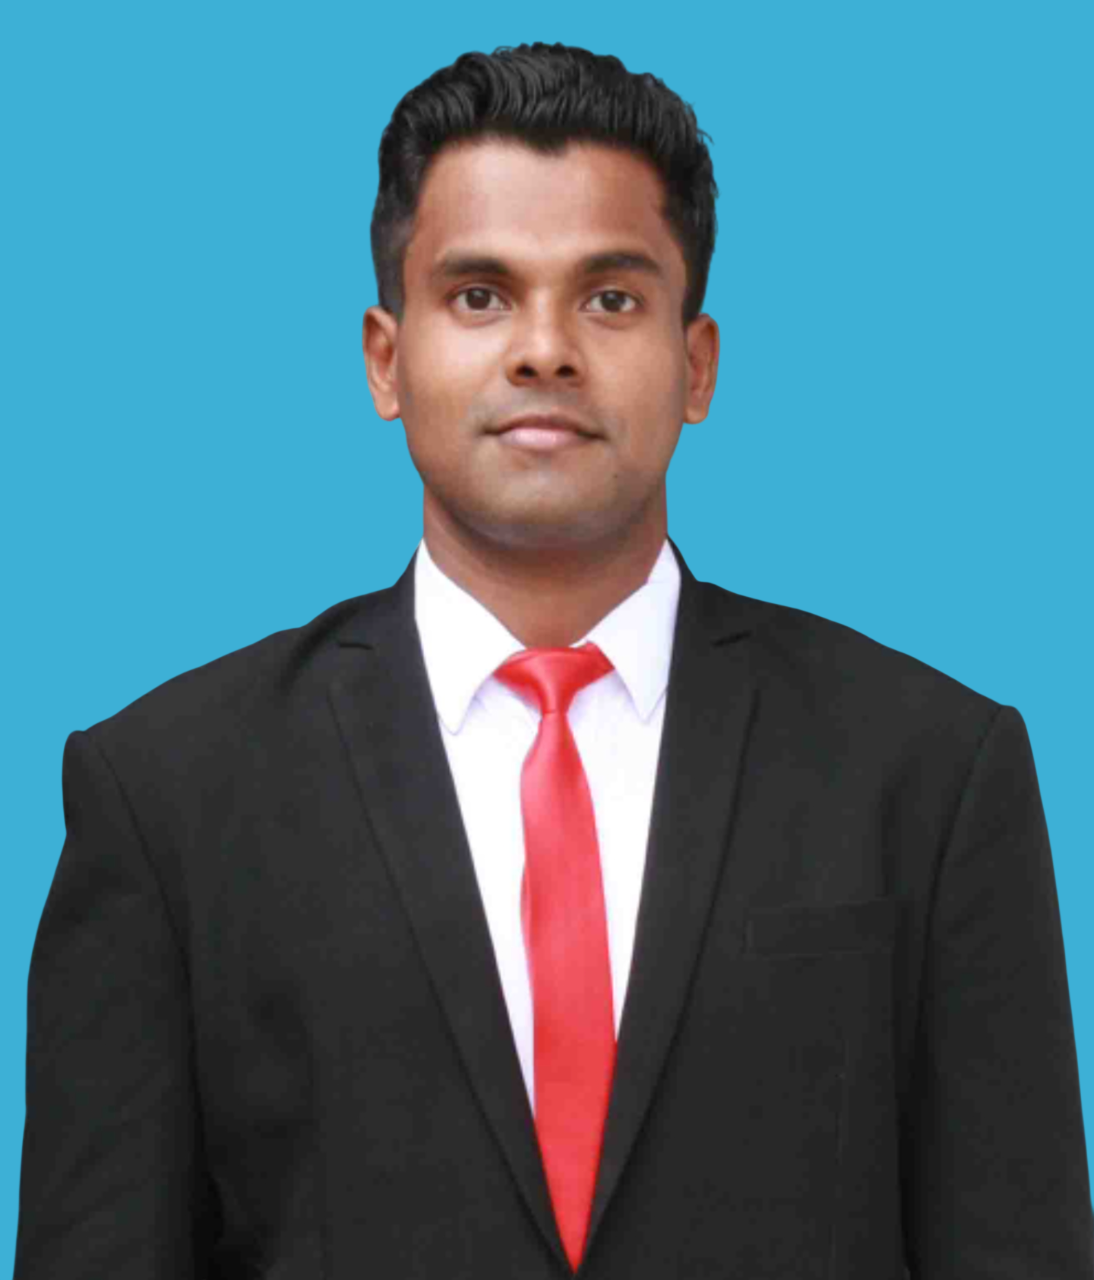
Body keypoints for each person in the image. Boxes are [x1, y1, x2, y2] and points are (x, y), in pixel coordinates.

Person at [13, 41, 1093, 1280]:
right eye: (479, 294)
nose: (543, 350)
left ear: (695, 363)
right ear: (384, 358)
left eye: (610, 298)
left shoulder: (930, 769)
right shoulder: (168, 793)